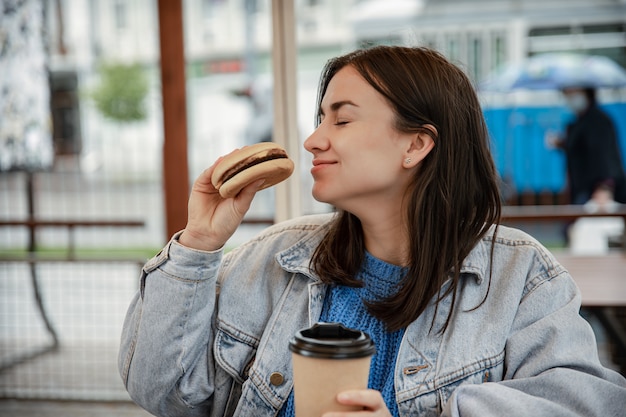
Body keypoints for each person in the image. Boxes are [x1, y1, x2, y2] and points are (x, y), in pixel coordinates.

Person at [118, 46, 626, 417]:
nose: (314, 139)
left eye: (341, 120)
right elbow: (160, 391)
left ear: (416, 145)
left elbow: (591, 403)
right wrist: (197, 245)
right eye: (321, 118)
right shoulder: (273, 258)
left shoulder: (521, 275)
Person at [553, 86, 626, 205]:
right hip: (581, 189)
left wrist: (605, 187)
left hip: (597, 193)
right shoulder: (578, 121)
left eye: (573, 92)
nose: (570, 97)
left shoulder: (598, 120)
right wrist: (563, 144)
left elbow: (605, 154)